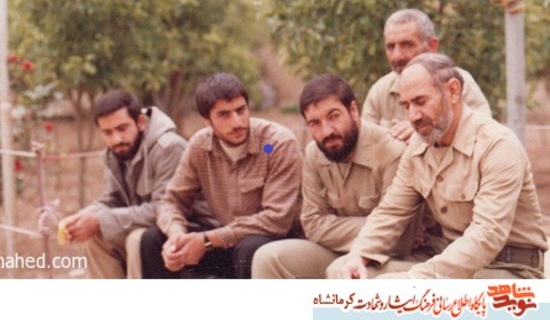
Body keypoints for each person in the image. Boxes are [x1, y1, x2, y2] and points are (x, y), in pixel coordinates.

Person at [329, 53, 548, 279]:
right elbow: (391, 212)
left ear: (453, 91)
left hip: (510, 271)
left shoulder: (498, 145)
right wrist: (358, 255)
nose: (413, 116)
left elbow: (486, 235)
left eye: (420, 102)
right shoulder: (418, 149)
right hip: (450, 269)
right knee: (344, 272)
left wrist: (416, 279)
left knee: (395, 289)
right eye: (406, 106)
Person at [252, 74, 420, 278]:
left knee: (341, 271)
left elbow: (400, 237)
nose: (327, 131)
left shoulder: (390, 151)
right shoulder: (315, 154)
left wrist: (334, 227)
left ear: (353, 110)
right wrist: (373, 224)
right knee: (267, 258)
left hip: (392, 257)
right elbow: (312, 224)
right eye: (315, 123)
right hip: (339, 250)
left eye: (334, 116)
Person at [140, 72, 303, 279]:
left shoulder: (276, 144)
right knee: (153, 239)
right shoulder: (200, 146)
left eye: (241, 110)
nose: (237, 122)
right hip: (226, 242)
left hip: (273, 243)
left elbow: (277, 220)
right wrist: (177, 236)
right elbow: (171, 201)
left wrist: (208, 240)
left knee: (249, 248)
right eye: (224, 115)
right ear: (207, 121)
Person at [57, 89, 188, 278]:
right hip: (150, 229)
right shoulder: (116, 153)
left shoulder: (168, 148)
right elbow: (111, 200)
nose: (116, 139)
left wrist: (100, 220)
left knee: (136, 239)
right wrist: (83, 217)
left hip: (186, 228)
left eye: (122, 128)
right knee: (96, 237)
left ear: (141, 122)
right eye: (107, 132)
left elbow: (165, 209)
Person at [362, 8, 491, 142]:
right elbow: (366, 142)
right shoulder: (380, 91)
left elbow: (485, 134)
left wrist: (424, 129)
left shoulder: (457, 81)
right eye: (390, 47)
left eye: (407, 45)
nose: (397, 56)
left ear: (431, 46)